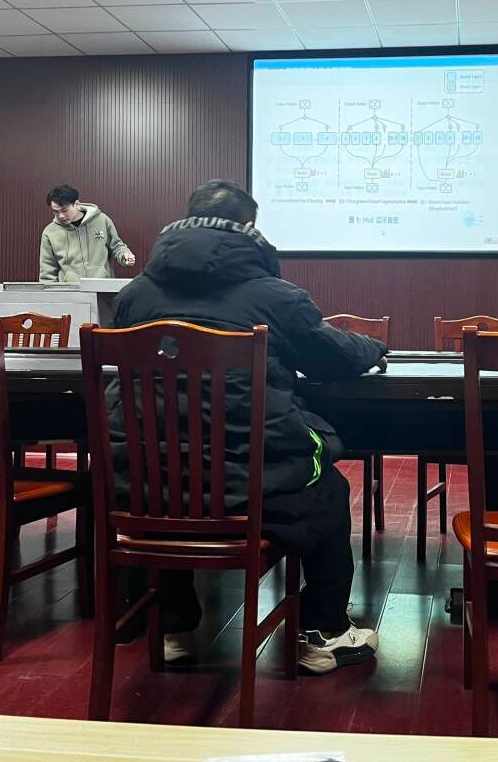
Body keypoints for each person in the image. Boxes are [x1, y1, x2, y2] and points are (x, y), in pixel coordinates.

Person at [109, 179, 385, 674]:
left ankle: (173, 629)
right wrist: (373, 347)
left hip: (148, 489)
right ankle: (324, 632)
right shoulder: (275, 297)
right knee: (329, 488)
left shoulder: (134, 297)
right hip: (248, 490)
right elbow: (332, 358)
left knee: (171, 482)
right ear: (250, 228)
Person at [39, 185, 135, 282]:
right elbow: (47, 271)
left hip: (101, 286)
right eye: (56, 212)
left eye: (64, 210)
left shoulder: (101, 220)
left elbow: (117, 246)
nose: (61, 216)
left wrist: (125, 255)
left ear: (76, 204)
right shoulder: (50, 232)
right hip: (70, 289)